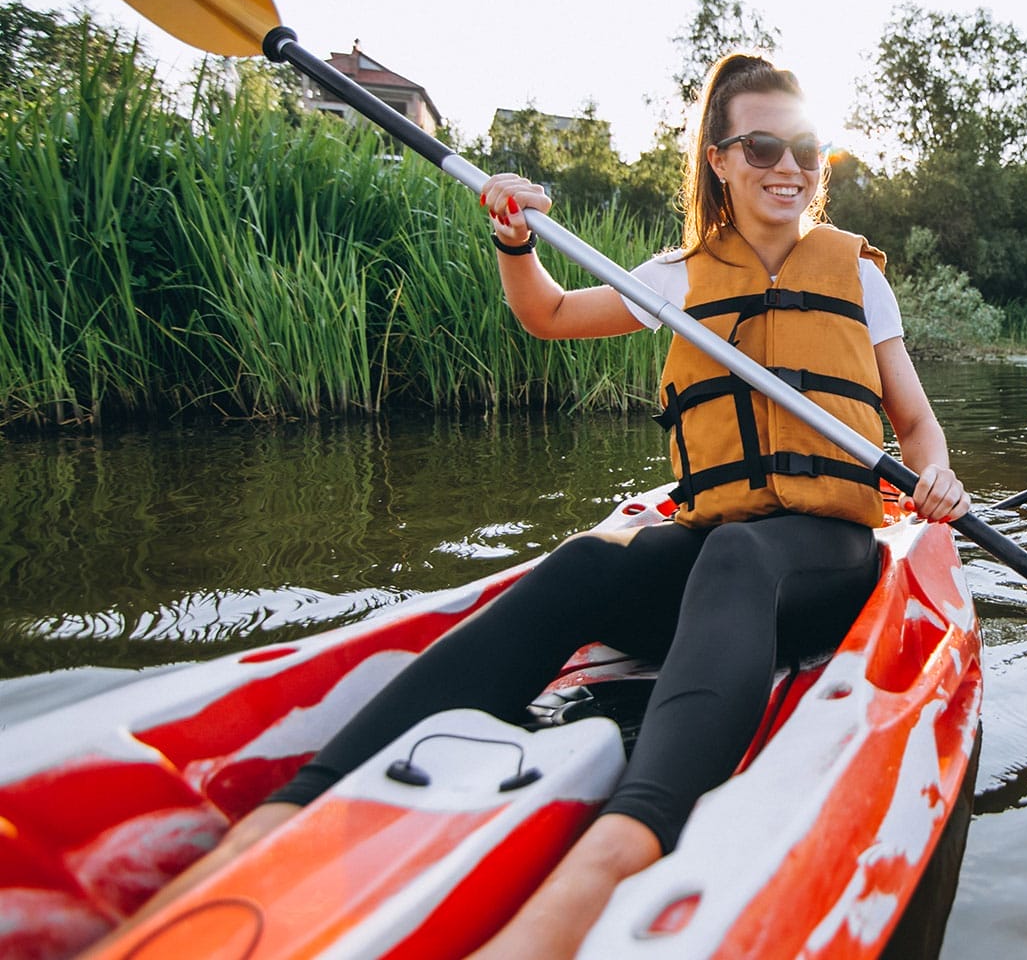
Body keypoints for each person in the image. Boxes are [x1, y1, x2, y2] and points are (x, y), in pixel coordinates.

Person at [95, 53, 970, 959]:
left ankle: (616, 852)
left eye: (804, 147)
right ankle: (294, 806)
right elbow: (547, 314)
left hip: (824, 562)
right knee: (599, 561)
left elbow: (913, 423)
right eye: (761, 146)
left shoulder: (858, 275)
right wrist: (515, 242)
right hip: (721, 556)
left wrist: (937, 476)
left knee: (740, 558)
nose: (787, 166)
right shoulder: (672, 278)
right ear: (718, 158)